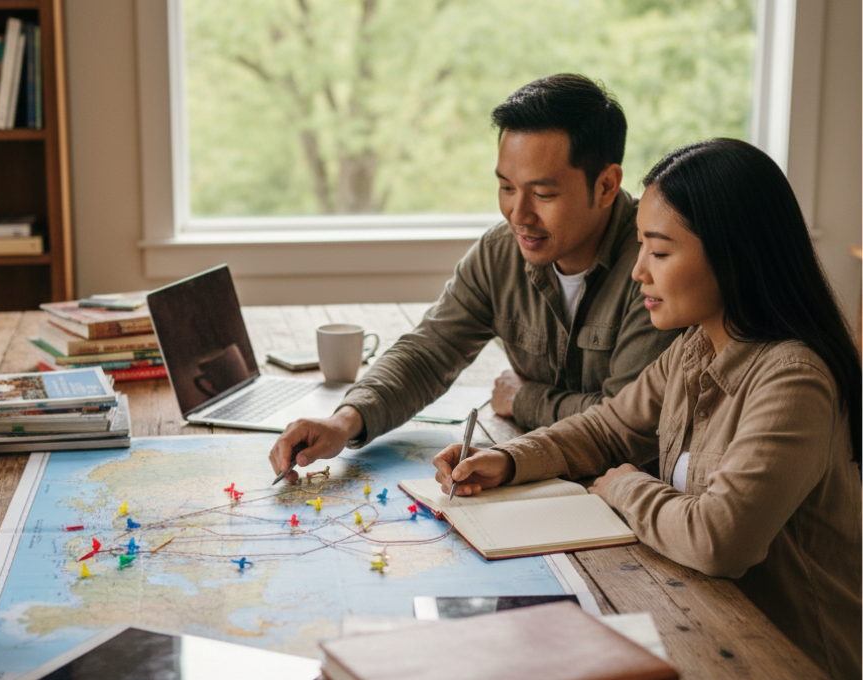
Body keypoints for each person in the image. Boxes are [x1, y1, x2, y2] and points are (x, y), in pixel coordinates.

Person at [432, 138, 862, 679]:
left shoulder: (792, 380)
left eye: (658, 252)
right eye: (640, 248)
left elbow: (719, 541)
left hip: (786, 659)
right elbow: (609, 429)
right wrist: (511, 460)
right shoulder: (695, 346)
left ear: (733, 256)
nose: (638, 272)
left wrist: (623, 487)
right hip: (705, 627)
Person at [269, 74, 679, 480]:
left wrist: (525, 399)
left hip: (633, 493)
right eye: (505, 187)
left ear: (606, 185)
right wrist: (344, 421)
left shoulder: (658, 266)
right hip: (539, 477)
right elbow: (429, 352)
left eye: (543, 194)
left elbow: (628, 421)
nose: (518, 215)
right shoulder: (500, 252)